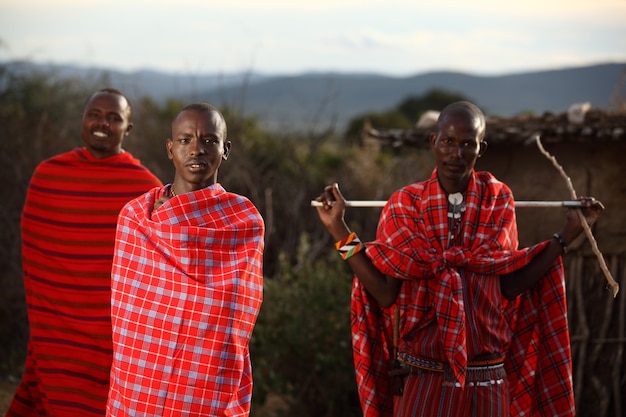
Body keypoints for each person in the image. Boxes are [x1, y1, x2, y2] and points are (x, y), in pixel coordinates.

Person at [315, 101, 604, 417]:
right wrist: (338, 231)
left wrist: (565, 236)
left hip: (488, 378)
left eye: (468, 144)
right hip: (421, 379)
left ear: (481, 148)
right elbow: (385, 295)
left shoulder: (498, 202)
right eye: (448, 142)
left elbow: (508, 286)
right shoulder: (404, 206)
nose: (456, 153)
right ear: (433, 143)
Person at [7, 88, 163, 417]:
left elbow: (155, 268)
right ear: (83, 119)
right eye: (94, 114)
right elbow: (37, 260)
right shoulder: (48, 177)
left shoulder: (145, 189)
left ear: (128, 129)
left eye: (114, 118)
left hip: (112, 336)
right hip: (56, 329)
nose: (102, 123)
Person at [106, 102, 264, 417]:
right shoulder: (137, 218)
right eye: (185, 140)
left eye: (209, 140)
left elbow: (231, 312)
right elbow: (128, 316)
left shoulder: (242, 221)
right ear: (170, 148)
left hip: (205, 387)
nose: (196, 150)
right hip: (139, 383)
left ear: (225, 149)